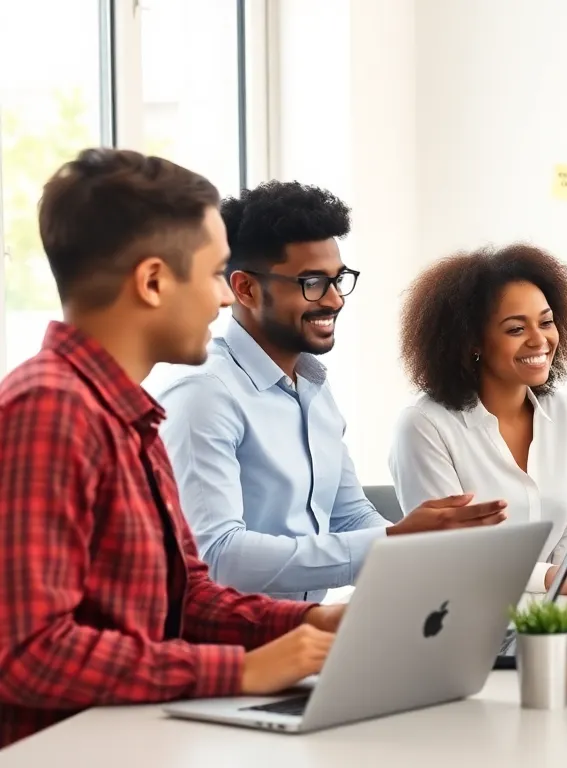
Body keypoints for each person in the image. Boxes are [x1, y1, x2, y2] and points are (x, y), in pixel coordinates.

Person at [0, 149, 345, 748]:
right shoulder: (49, 409)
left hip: (137, 741)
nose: (222, 299)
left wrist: (309, 623)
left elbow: (187, 598)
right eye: (215, 274)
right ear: (154, 281)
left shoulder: (129, 414)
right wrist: (238, 672)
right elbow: (29, 652)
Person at [158, 181, 505, 604]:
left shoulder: (314, 388)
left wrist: (422, 554)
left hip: (305, 637)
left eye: (338, 279)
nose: (336, 299)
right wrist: (392, 540)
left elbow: (348, 516)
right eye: (312, 283)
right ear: (245, 289)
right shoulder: (204, 395)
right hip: (233, 654)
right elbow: (219, 556)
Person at [388, 244, 567, 596]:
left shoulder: (565, 414)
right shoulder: (424, 426)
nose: (540, 340)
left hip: (553, 614)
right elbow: (451, 555)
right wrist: (554, 578)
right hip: (460, 613)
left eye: (546, 322)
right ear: (473, 342)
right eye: (516, 329)